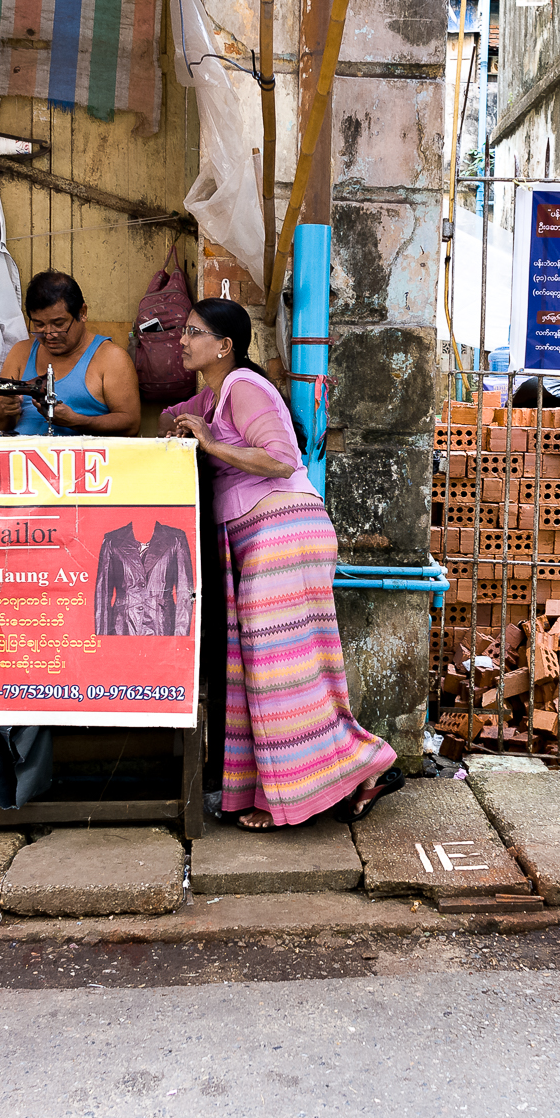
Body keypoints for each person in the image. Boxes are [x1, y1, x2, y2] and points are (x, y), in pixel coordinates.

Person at [161, 298, 402, 829]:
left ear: (224, 346)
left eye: (192, 332)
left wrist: (205, 440)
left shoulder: (245, 387)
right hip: (265, 538)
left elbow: (281, 458)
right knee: (274, 670)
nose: (181, 339)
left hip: (283, 533)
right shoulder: (215, 394)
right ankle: (348, 773)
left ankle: (310, 789)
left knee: (280, 673)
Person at [0, 270, 141, 435]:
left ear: (82, 313)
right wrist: (5, 408)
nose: (49, 334)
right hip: (22, 458)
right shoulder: (21, 353)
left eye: (58, 323)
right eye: (39, 325)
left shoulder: (111, 358)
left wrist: (78, 421)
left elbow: (131, 424)